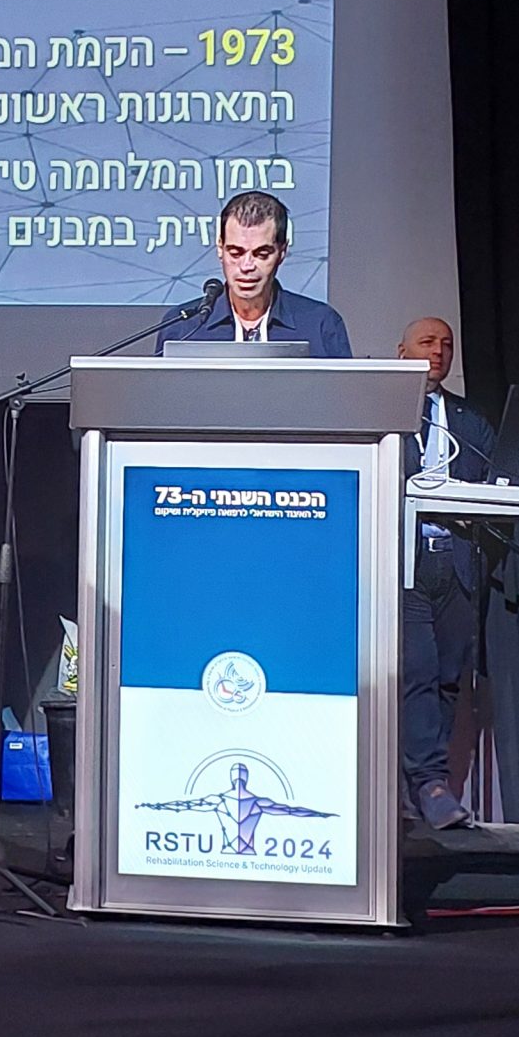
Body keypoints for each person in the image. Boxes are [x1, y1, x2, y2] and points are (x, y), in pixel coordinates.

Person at [399, 313, 494, 831]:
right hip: (406, 564)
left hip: (455, 563)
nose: (438, 351)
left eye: (446, 344)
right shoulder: (385, 414)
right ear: (402, 353)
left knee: (449, 679)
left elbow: (495, 477)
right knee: (416, 671)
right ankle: (430, 783)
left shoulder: (469, 422)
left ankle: (422, 789)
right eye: (426, 342)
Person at [154, 193, 352, 355]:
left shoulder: (320, 324)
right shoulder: (183, 327)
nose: (247, 266)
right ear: (220, 248)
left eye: (261, 254)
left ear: (282, 252)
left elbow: (341, 392)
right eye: (236, 253)